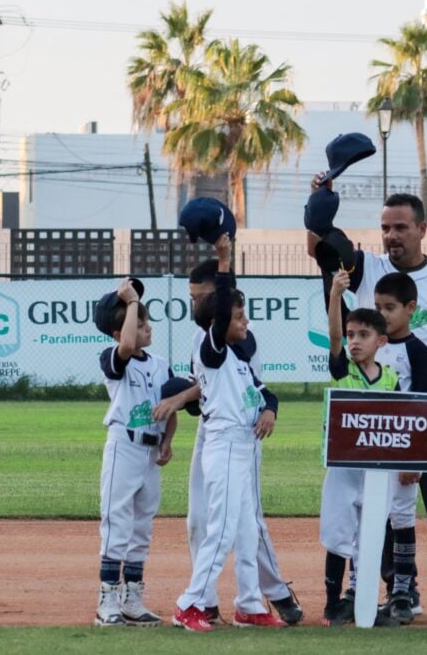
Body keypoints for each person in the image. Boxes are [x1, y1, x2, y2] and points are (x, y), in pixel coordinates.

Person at [307, 175, 427, 619]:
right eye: (385, 227)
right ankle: (395, 588)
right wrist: (321, 195)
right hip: (375, 404)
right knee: (377, 503)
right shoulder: (366, 268)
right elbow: (322, 242)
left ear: (422, 229)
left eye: (401, 227)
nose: (391, 236)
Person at [154, 258, 302, 626]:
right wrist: (223, 261)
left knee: (247, 529)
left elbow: (263, 392)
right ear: (219, 322)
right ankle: (189, 604)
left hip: (244, 444)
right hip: (224, 444)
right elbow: (220, 318)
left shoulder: (238, 358)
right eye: (238, 317)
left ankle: (250, 605)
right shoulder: (212, 350)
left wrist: (270, 409)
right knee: (220, 529)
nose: (245, 322)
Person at [93, 277, 176, 627]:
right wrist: (129, 304)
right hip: (123, 447)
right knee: (117, 522)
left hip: (150, 452)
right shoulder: (112, 357)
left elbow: (170, 408)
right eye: (139, 323)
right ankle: (107, 600)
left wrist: (168, 439)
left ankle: (132, 599)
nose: (146, 327)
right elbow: (127, 346)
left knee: (142, 526)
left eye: (145, 320)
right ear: (119, 332)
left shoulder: (158, 364)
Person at [320, 270, 399, 627]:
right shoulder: (343, 370)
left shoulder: (392, 378)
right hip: (343, 466)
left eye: (363, 335)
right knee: (339, 536)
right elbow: (334, 336)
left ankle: (365, 601)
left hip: (377, 470)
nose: (354, 341)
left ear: (382, 341)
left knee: (371, 534)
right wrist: (336, 295)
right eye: (352, 335)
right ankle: (332, 603)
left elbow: (401, 422)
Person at [372, 272, 427, 624]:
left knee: (403, 519)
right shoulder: (372, 345)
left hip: (403, 452)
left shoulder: (417, 351)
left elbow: (424, 409)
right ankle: (388, 584)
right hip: (373, 451)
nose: (383, 314)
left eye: (390, 307)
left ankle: (404, 592)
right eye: (378, 307)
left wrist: (416, 458)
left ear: (410, 308)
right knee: (376, 521)